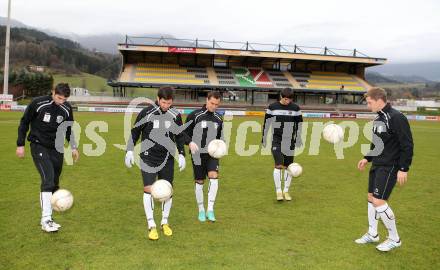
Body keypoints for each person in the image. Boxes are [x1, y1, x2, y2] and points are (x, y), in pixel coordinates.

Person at [355, 87, 414, 252]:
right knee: (370, 198)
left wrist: (403, 168)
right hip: (377, 164)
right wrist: (367, 158)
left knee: (379, 201)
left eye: (369, 102)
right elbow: (376, 144)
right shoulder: (378, 119)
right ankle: (373, 234)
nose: (368, 106)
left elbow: (407, 145)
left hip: (390, 166)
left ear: (379, 99)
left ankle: (395, 239)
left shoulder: (397, 117)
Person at [125, 86, 186, 241]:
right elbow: (135, 132)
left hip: (167, 158)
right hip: (148, 157)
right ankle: (151, 224)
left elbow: (179, 136)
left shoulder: (175, 114)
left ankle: (164, 222)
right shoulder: (146, 113)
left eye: (169, 103)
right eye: (164, 102)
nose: (166, 106)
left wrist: (182, 154)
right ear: (158, 99)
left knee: (168, 190)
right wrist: (129, 150)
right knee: (148, 189)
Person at [16, 83, 79, 232]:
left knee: (54, 184)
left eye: (64, 99)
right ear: (53, 92)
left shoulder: (66, 108)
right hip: (38, 145)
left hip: (57, 148)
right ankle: (46, 220)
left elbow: (68, 128)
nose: (61, 101)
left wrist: (74, 146)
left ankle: (50, 218)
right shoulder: (38, 103)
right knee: (48, 180)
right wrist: (20, 144)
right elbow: (24, 122)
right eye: (59, 97)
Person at [183, 91, 223, 222]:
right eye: (212, 103)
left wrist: (220, 147)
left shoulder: (218, 118)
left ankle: (210, 209)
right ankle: (201, 210)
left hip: (212, 154)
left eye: (217, 104)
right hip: (197, 154)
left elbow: (219, 138)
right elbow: (183, 133)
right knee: (200, 181)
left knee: (214, 176)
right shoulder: (194, 115)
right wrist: (190, 142)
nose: (214, 106)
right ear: (207, 100)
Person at [262, 88, 303, 201]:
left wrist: (298, 138)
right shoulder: (272, 107)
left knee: (288, 167)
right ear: (281, 96)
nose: (287, 101)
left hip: (290, 140)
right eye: (285, 99)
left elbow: (299, 124)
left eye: (289, 99)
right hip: (277, 139)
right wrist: (264, 137)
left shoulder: (295, 108)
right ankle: (278, 191)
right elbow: (266, 123)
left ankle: (286, 191)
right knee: (279, 165)